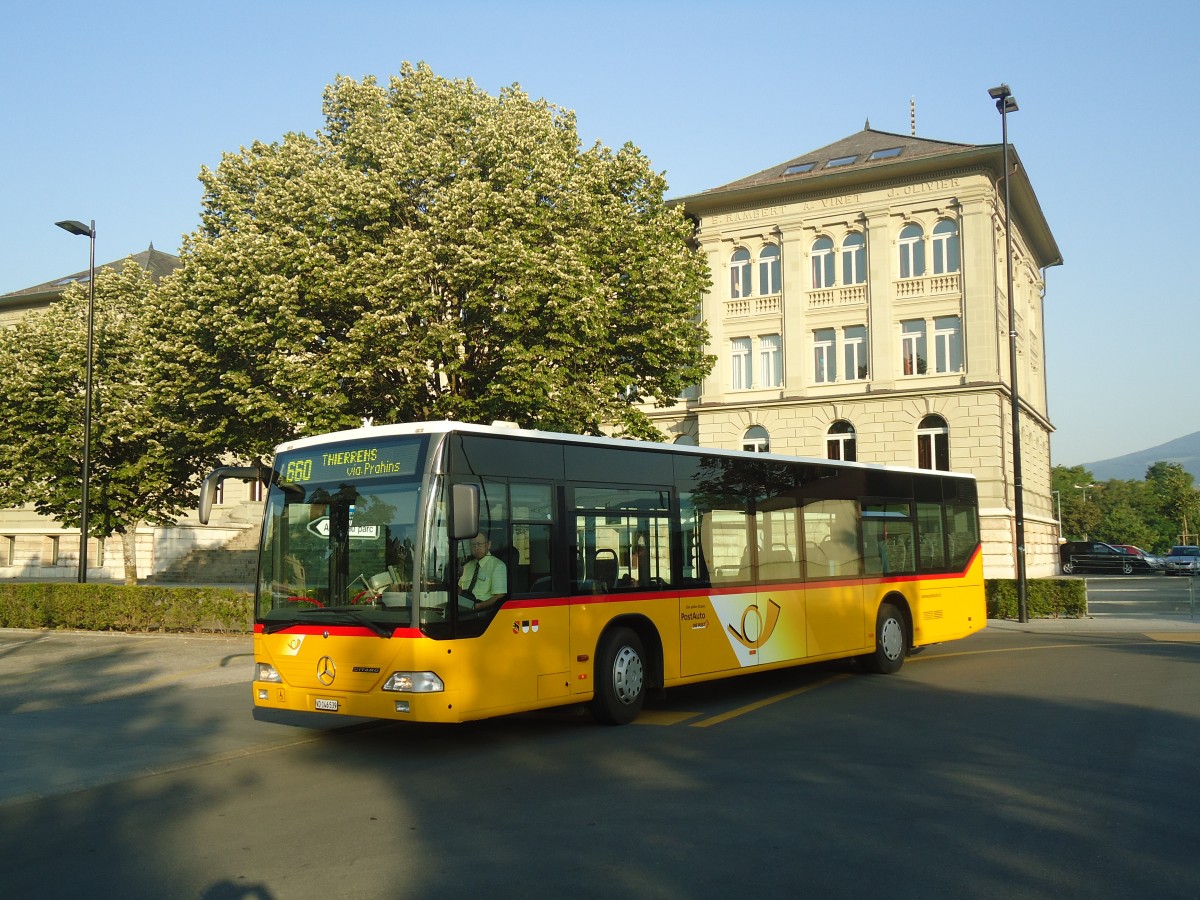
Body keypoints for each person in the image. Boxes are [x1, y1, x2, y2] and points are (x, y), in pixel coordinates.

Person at [458, 534, 507, 610]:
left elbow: (499, 596)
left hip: (482, 610)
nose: (476, 548)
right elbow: (459, 588)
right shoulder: (467, 566)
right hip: (463, 605)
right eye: (473, 545)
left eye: (479, 544)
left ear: (488, 545)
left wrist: (478, 606)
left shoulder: (498, 566)